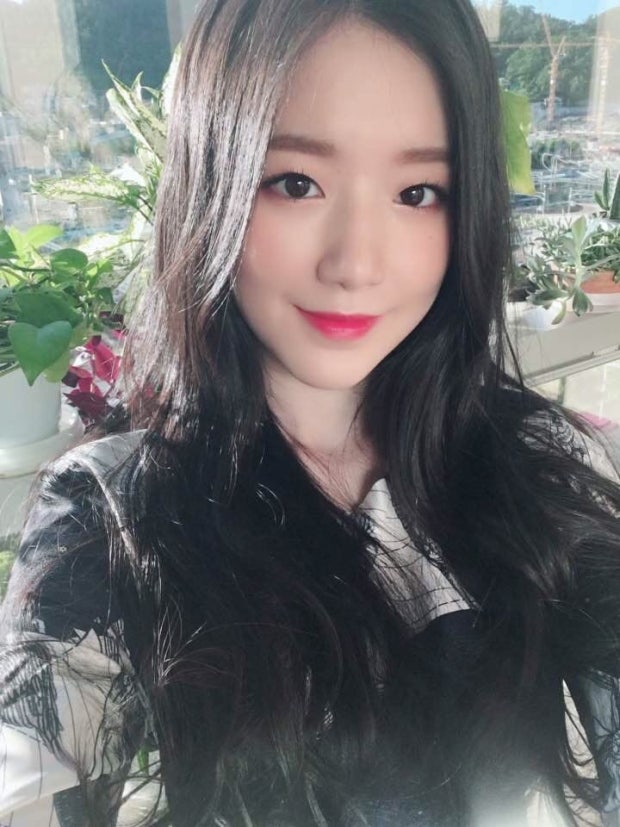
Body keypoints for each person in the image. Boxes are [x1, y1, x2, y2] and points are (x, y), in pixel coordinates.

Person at [1, 0, 620, 825]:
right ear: (212, 184)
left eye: (417, 192)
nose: (356, 262)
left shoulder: (544, 460)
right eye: (296, 183)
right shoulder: (115, 510)